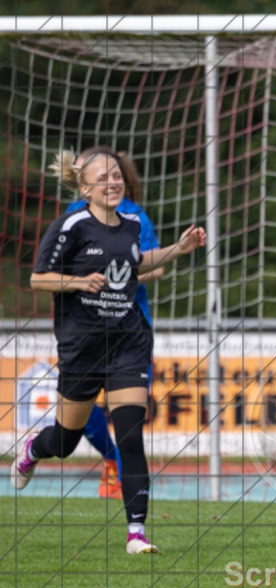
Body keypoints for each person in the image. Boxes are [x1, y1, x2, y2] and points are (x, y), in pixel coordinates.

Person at [11, 149, 205, 555]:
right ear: (85, 188)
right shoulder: (71, 225)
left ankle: (137, 533)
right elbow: (38, 279)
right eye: (102, 178)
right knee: (64, 441)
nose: (112, 182)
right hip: (83, 347)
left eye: (116, 175)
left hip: (128, 343)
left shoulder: (133, 223)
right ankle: (33, 449)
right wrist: (78, 283)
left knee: (131, 436)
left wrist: (178, 249)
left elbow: (138, 265)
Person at [62, 147, 164, 499]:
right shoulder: (73, 214)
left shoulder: (136, 216)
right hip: (85, 330)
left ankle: (131, 502)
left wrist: (118, 276)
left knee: (129, 421)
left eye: (112, 175)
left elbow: (156, 268)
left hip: (130, 332)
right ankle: (112, 460)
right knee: (76, 415)